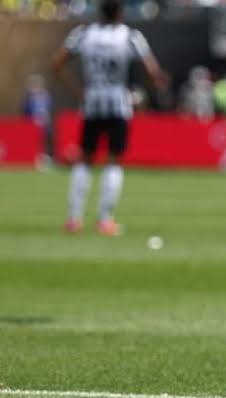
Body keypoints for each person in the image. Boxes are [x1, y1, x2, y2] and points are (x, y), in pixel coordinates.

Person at [52, 0, 167, 235]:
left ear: (99, 12)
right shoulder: (130, 36)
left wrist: (77, 91)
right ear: (121, 13)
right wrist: (140, 93)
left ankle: (74, 219)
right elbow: (153, 71)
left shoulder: (83, 34)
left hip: (92, 102)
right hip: (118, 103)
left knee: (85, 159)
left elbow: (56, 64)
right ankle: (105, 220)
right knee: (113, 160)